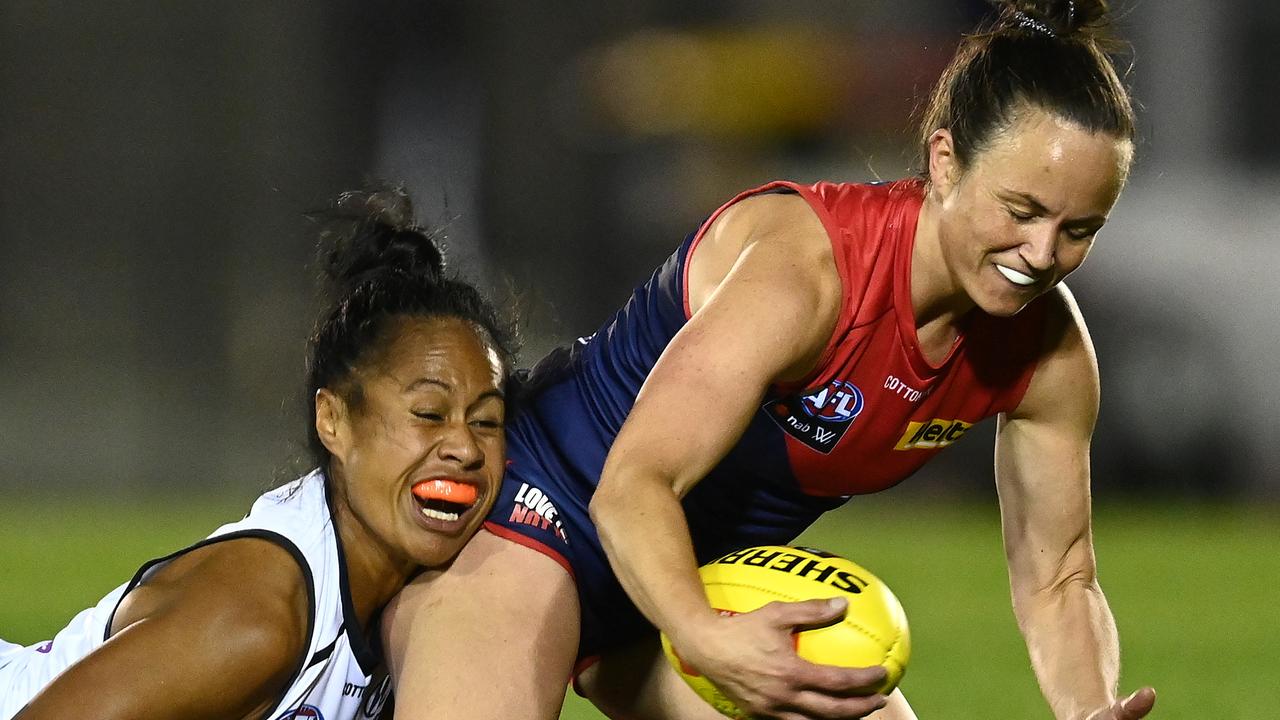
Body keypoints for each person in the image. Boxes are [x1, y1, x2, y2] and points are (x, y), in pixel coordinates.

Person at [383, 1, 1158, 718]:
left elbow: (1060, 578)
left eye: (1080, 229)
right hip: (538, 520)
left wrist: (1090, 709)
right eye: (1021, 211)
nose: (1041, 254)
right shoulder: (808, 272)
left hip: (691, 582)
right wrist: (700, 635)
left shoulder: (1048, 352)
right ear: (946, 161)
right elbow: (633, 486)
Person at [0, 187, 515, 720]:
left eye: (486, 422)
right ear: (333, 421)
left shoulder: (399, 593)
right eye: (429, 414)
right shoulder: (257, 617)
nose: (463, 447)